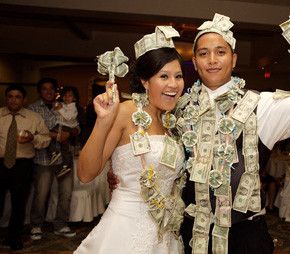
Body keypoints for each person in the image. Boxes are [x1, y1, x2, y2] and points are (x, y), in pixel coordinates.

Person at [108, 13, 290, 254]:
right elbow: (149, 149)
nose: (212, 60)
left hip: (244, 237)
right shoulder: (175, 108)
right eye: (203, 53)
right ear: (194, 61)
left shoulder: (262, 106)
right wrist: (121, 174)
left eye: (220, 52)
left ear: (233, 59)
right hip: (189, 234)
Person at [75, 26, 186, 254]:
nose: (173, 85)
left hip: (165, 233)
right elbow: (86, 173)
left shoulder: (173, 123)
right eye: (163, 76)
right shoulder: (126, 111)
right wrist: (103, 122)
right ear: (145, 81)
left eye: (178, 76)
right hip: (124, 230)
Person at [0, 84, 50, 250]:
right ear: (6, 98)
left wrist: (33, 138)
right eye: (10, 96)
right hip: (0, 164)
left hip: (22, 165)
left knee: (19, 203)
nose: (13, 100)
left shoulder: (33, 117)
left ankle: (14, 238)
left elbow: (46, 138)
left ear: (24, 99)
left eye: (18, 97)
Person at [29, 78, 77, 240]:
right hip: (44, 159)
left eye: (51, 89)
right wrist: (55, 135)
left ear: (56, 91)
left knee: (66, 193)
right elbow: (32, 132)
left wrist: (69, 133)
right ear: (39, 91)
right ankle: (36, 225)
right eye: (44, 89)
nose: (48, 92)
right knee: (41, 194)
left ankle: (61, 224)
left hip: (64, 158)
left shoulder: (65, 105)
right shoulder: (33, 109)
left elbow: (76, 126)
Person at [48, 86, 83, 177]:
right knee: (52, 138)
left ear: (74, 98)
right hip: (60, 126)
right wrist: (55, 108)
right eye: (65, 95)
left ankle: (66, 165)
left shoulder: (73, 107)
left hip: (67, 127)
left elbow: (68, 117)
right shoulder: (62, 104)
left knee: (65, 147)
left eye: (70, 96)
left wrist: (59, 108)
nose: (67, 97)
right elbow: (56, 114)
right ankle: (55, 154)